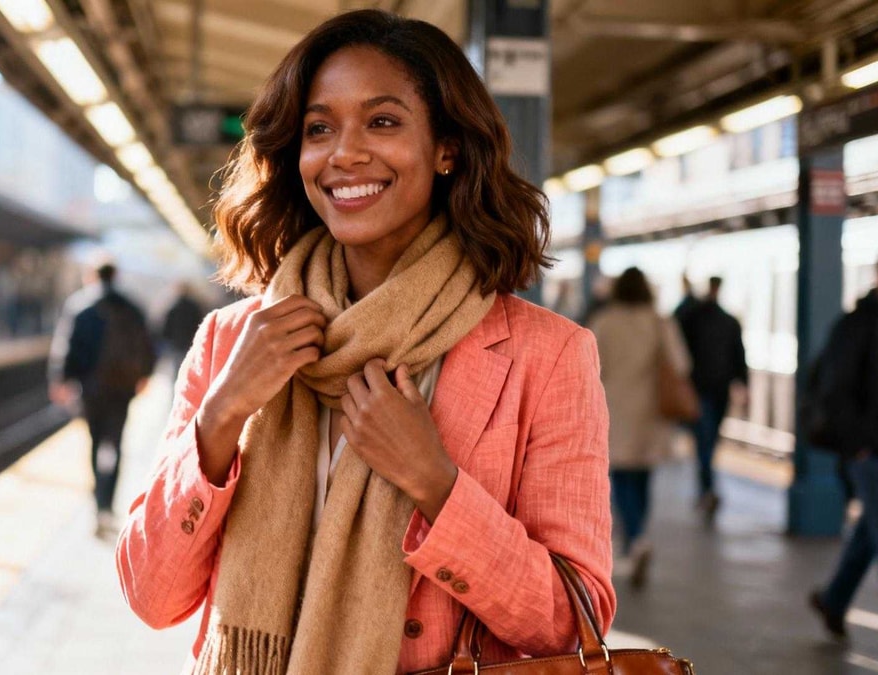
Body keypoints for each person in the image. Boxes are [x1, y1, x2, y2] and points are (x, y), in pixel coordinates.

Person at [115, 11, 614, 674]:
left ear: (447, 148)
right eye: (319, 128)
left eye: (382, 121)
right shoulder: (229, 342)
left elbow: (567, 620)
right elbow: (151, 597)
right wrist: (221, 416)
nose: (344, 153)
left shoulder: (545, 355)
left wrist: (434, 482)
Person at [809, 246, 878, 641]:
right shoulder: (858, 325)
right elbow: (834, 390)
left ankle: (834, 599)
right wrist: (859, 443)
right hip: (873, 455)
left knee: (872, 533)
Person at [589, 267, 691, 590]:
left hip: (614, 410)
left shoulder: (604, 322)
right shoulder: (660, 322)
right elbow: (682, 365)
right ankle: (639, 535)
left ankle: (635, 538)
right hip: (651, 413)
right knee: (644, 477)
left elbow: (587, 365)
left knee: (620, 477)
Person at [63, 263, 155, 536]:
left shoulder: (80, 306)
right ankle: (108, 503)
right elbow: (148, 345)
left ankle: (98, 501)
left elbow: (68, 345)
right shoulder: (132, 307)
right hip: (122, 389)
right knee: (115, 444)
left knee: (94, 442)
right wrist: (144, 376)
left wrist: (63, 378)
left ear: (92, 276)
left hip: (91, 389)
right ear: (116, 276)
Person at [677, 275, 748, 524]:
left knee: (706, 440)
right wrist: (743, 383)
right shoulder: (728, 321)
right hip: (719, 389)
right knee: (709, 439)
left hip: (701, 388)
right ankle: (708, 488)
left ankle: (706, 488)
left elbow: (679, 350)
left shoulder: (692, 318)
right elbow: (740, 355)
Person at [47, 264, 103, 408]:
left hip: (88, 381)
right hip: (120, 383)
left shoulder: (78, 305)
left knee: (95, 425)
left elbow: (64, 345)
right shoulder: (127, 307)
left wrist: (59, 378)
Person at [160, 283, 205, 377]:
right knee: (190, 369)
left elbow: (166, 327)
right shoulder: (195, 308)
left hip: (176, 344)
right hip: (190, 342)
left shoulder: (174, 307)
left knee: (177, 370)